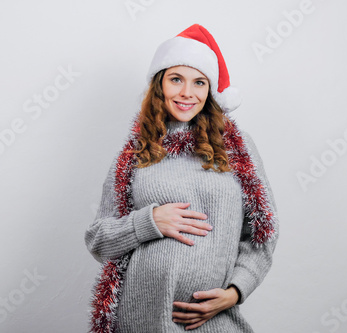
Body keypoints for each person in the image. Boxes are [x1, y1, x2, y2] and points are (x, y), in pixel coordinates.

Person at [84, 24, 279, 333]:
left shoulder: (237, 147)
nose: (187, 93)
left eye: (199, 82)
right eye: (176, 79)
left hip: (212, 320)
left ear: (210, 90)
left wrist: (235, 292)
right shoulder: (135, 152)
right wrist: (149, 221)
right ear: (160, 85)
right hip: (140, 320)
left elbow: (262, 233)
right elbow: (98, 239)